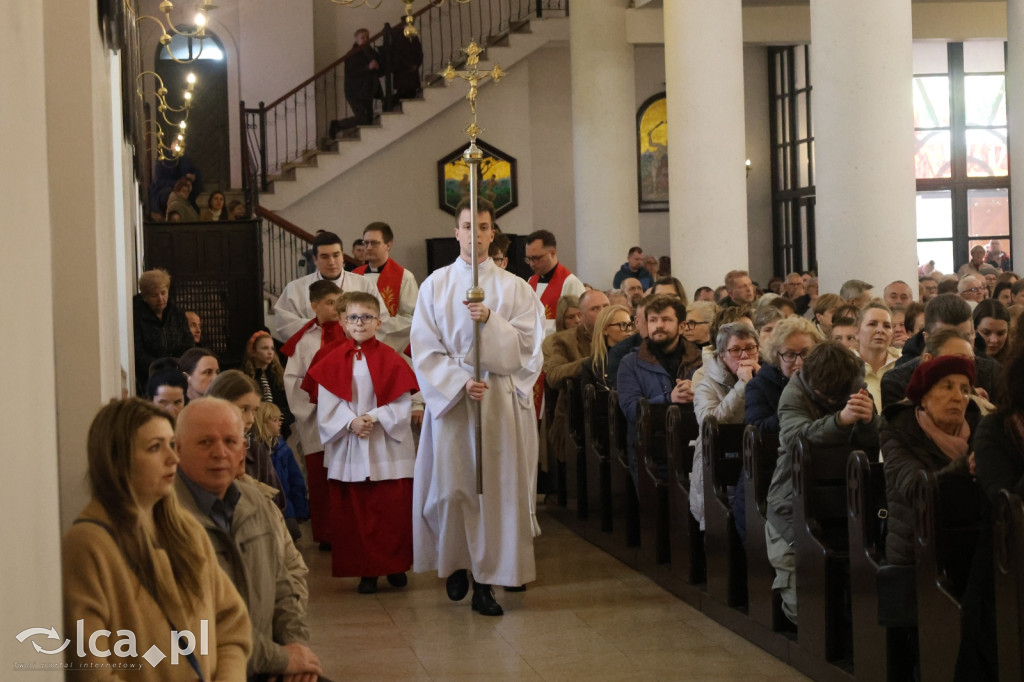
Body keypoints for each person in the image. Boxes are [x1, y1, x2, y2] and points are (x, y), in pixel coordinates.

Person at [410, 197, 545, 617]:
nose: (476, 234)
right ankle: (455, 563)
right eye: (468, 226)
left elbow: (528, 347)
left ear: (493, 233)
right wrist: (458, 381)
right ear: (457, 232)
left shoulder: (515, 288)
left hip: (496, 399)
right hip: (452, 401)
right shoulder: (435, 285)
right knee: (452, 489)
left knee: (494, 491)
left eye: (483, 227)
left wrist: (490, 319)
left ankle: (486, 581)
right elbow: (424, 348)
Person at [62, 398, 252, 680]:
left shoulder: (187, 530)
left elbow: (231, 623)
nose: (173, 458)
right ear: (118, 460)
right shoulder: (87, 545)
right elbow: (92, 669)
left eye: (171, 444)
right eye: (155, 447)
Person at [174, 398, 322, 679]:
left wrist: (295, 645)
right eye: (205, 442)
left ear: (243, 449)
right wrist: (282, 659)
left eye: (230, 442)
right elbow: (198, 630)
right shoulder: (167, 519)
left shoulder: (255, 502)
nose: (220, 453)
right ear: (177, 449)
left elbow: (282, 585)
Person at [305, 292, 419, 594]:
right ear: (343, 322)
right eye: (353, 317)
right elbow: (327, 402)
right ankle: (366, 571)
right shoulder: (331, 359)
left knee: (390, 510)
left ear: (378, 322)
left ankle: (395, 566)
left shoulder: (392, 359)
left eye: (367, 317)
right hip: (350, 443)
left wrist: (373, 417)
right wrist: (351, 421)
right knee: (357, 512)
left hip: (386, 445)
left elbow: (402, 402)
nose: (359, 323)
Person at [880, 355, 982, 679]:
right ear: (923, 396)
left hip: (971, 546)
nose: (958, 397)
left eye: (964, 389)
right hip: (916, 550)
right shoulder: (898, 428)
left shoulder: (980, 428)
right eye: (947, 387)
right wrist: (964, 467)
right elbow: (915, 488)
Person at [765, 341, 880, 625]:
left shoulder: (855, 385)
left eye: (838, 398)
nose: (831, 401)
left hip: (848, 501)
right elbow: (795, 438)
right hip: (793, 502)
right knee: (805, 610)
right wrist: (840, 419)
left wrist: (870, 422)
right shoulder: (794, 392)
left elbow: (873, 445)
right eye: (824, 397)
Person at [737, 317, 824, 543]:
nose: (799, 362)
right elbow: (757, 429)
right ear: (777, 356)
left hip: (817, 477)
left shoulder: (827, 383)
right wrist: (793, 410)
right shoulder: (760, 385)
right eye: (790, 355)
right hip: (769, 480)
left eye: (806, 353)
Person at [616, 296, 703, 487]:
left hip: (696, 447)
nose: (659, 325)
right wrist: (669, 398)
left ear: (682, 326)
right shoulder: (630, 363)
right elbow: (631, 410)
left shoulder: (700, 360)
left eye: (666, 319)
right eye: (653, 320)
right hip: (650, 450)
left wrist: (697, 393)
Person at [281, 279, 343, 547]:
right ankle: (327, 534)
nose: (336, 308)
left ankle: (348, 530)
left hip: (347, 417)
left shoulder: (351, 332)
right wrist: (316, 403)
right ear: (314, 306)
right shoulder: (305, 341)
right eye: (330, 303)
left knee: (346, 475)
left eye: (339, 302)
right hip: (316, 417)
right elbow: (292, 379)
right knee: (320, 477)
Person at [690, 322, 760, 530]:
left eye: (750, 348)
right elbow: (709, 425)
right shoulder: (706, 385)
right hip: (717, 464)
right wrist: (743, 386)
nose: (745, 356)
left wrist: (761, 382)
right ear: (721, 356)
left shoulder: (765, 377)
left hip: (755, 460)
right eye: (735, 350)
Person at [274, 230, 388, 342]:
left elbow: (381, 319)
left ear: (342, 256)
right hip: (313, 350)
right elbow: (285, 323)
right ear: (315, 260)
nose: (331, 262)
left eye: (336, 255)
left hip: (356, 349)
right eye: (325, 257)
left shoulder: (364, 284)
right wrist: (320, 326)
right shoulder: (295, 288)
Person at [206, 370, 285, 512]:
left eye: (254, 411)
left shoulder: (256, 450)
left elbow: (278, 503)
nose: (251, 420)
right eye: (243, 409)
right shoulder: (199, 452)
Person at [352, 221, 419, 353]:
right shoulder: (355, 275)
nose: (368, 247)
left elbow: (414, 318)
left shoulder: (404, 277)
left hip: (390, 347)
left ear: (388, 245)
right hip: (357, 346)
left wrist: (379, 325)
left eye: (374, 243)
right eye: (366, 243)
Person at [132, 268, 194, 394]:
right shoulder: (136, 316)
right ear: (145, 297)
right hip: (148, 378)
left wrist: (176, 364)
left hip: (177, 374)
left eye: (163, 293)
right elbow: (138, 352)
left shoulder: (177, 313)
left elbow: (188, 342)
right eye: (154, 295)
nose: (160, 299)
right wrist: (159, 367)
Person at [254, 402, 309, 541]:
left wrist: (300, 511)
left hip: (285, 505)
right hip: (263, 506)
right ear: (263, 423)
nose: (280, 423)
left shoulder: (283, 449)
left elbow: (296, 480)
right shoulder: (254, 450)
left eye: (280, 419)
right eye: (275, 420)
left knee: (292, 532)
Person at [524, 229, 586, 330]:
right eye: (529, 259)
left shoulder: (570, 283)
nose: (532, 264)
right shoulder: (531, 281)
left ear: (552, 252)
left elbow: (578, 324)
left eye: (536, 258)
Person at [243, 330, 295, 438]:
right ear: (254, 351)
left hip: (279, 430)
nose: (270, 352)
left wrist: (276, 418)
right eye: (265, 348)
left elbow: (290, 408)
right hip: (256, 430)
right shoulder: (246, 377)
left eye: (272, 348)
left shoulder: (279, 376)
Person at [855, 301, 898, 411]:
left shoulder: (902, 365)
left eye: (887, 326)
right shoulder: (845, 367)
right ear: (856, 332)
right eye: (872, 324)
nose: (880, 330)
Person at [580, 304, 634, 389]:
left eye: (630, 324)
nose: (629, 329)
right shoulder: (592, 367)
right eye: (622, 324)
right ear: (605, 329)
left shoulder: (639, 358)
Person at [342, 28, 382, 128]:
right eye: (362, 37)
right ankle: (337, 125)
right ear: (357, 39)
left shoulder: (371, 52)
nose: (365, 39)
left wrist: (377, 66)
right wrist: (368, 67)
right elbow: (353, 72)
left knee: (369, 120)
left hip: (367, 89)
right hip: (354, 91)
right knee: (362, 119)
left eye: (367, 37)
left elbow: (378, 69)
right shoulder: (352, 54)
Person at [973, 298, 1011, 364]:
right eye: (986, 333)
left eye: (1000, 333)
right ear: (973, 330)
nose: (994, 340)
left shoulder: (1016, 363)